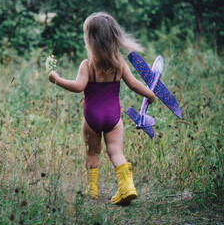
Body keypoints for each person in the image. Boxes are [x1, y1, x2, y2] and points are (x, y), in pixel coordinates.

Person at [48, 12, 155, 204]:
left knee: (91, 153)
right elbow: (134, 85)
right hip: (113, 118)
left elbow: (78, 86)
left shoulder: (87, 65)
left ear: (90, 39)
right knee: (116, 151)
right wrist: (150, 94)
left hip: (92, 118)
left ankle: (93, 192)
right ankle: (127, 187)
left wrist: (57, 79)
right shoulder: (119, 64)